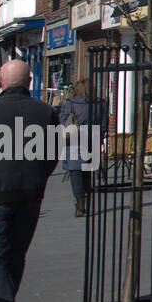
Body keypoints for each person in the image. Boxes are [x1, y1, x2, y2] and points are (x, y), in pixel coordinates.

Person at [0, 60, 60, 302]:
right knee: (16, 253)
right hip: (31, 194)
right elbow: (51, 155)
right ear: (30, 81)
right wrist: (38, 178)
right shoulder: (45, 112)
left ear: (0, 81)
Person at [60, 79, 93, 217]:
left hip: (74, 141)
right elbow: (103, 123)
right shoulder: (98, 104)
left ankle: (80, 203)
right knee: (87, 172)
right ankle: (85, 198)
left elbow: (62, 121)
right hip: (92, 141)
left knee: (75, 172)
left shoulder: (70, 103)